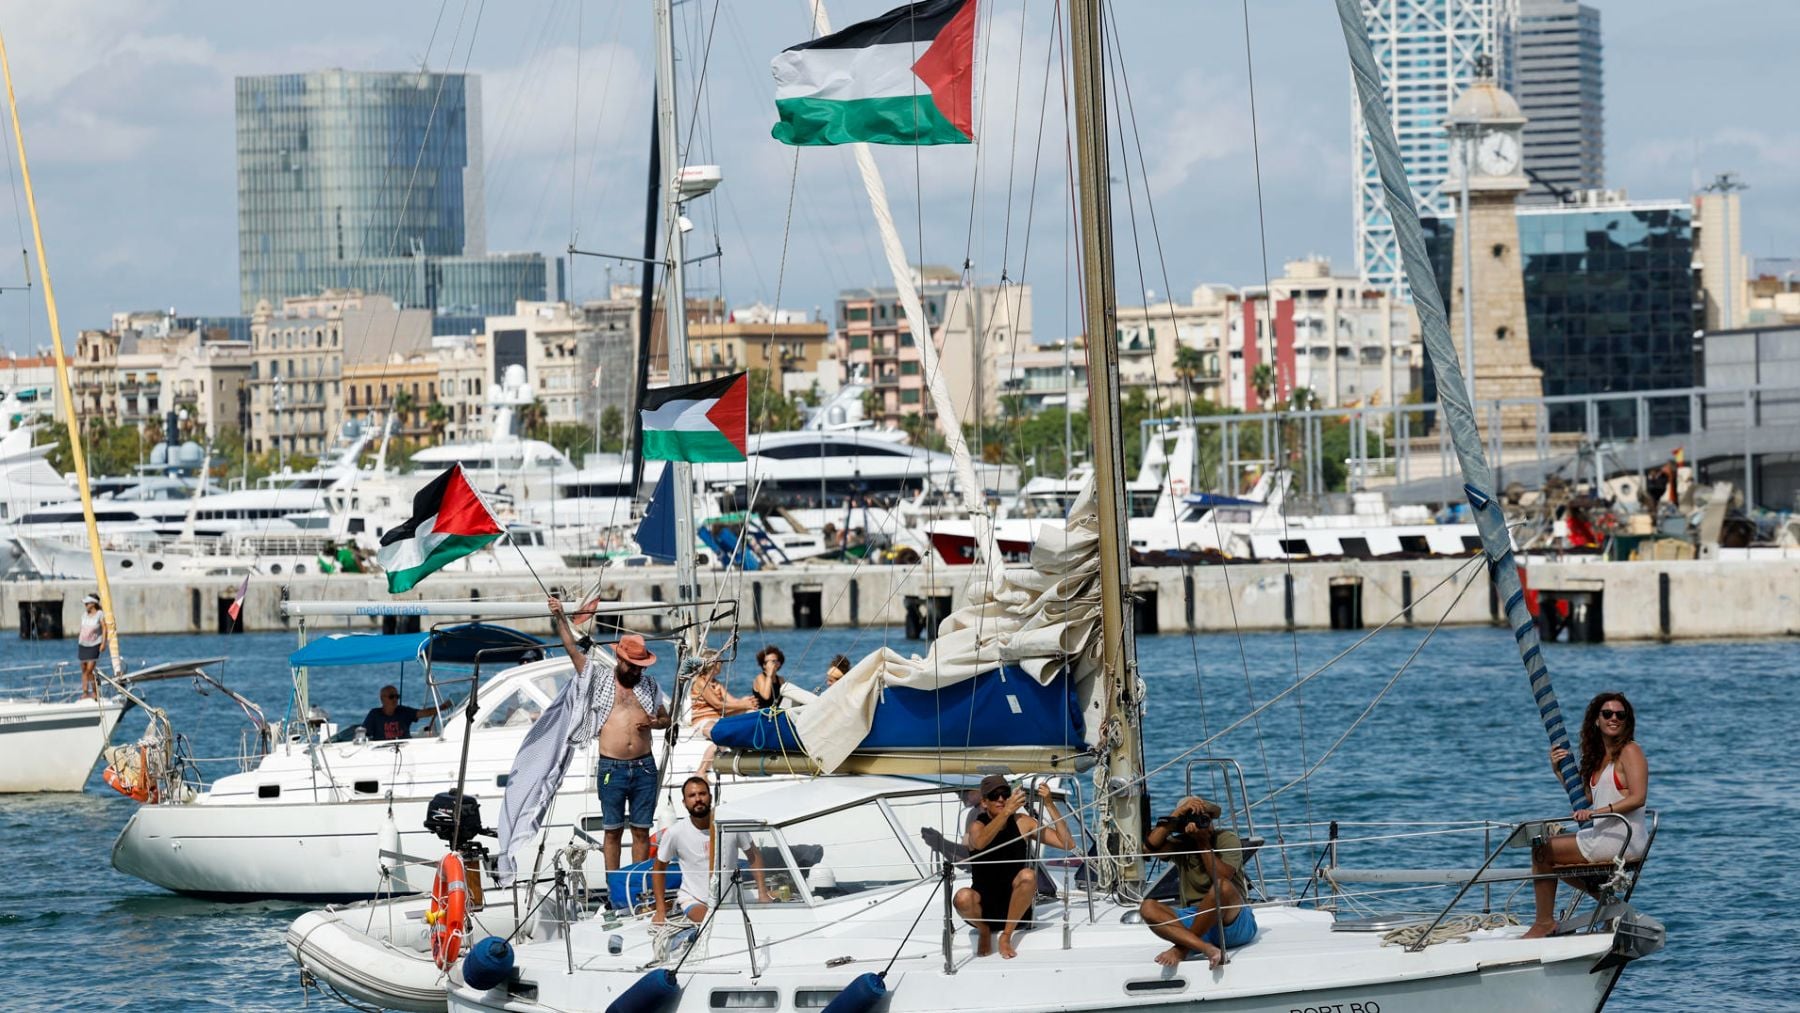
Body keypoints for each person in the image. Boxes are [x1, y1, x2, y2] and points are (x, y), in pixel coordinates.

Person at [549, 595, 670, 872]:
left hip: (644, 766)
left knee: (641, 830)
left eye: (640, 667)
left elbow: (666, 718)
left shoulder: (650, 685)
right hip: (611, 767)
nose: (637, 671)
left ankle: (637, 888)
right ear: (619, 659)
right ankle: (615, 887)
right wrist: (559, 616)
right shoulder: (600, 678)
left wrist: (656, 722)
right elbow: (571, 649)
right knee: (612, 831)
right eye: (632, 665)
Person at [1522, 692, 1650, 939]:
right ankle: (1612, 908)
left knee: (1542, 851)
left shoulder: (1631, 751)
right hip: (1605, 832)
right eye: (1607, 714)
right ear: (1596, 720)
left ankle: (1544, 923)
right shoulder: (1600, 757)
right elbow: (1586, 799)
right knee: (1554, 858)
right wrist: (1558, 771)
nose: (1614, 718)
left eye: (1620, 715)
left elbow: (1638, 798)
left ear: (1627, 721)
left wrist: (1595, 814)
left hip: (1622, 837)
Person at [953, 774, 1073, 959]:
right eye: (994, 795)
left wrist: (1049, 804)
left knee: (1028, 875)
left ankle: (1006, 936)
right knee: (961, 897)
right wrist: (1006, 812)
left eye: (1004, 794)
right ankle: (984, 930)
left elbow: (1067, 844)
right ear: (984, 803)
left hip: (1016, 908)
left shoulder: (1022, 822)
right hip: (984, 909)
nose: (1000, 799)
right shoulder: (977, 826)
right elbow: (980, 843)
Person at [1139, 795, 1256, 970]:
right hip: (1195, 917)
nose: (1203, 823)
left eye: (1205, 818)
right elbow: (1148, 848)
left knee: (1221, 887)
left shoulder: (1226, 839)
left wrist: (1202, 842)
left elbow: (1222, 878)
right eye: (1194, 819)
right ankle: (1204, 948)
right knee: (1147, 907)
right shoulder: (1181, 843)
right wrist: (1176, 815)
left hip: (1232, 919)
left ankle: (1182, 949)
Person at [653, 777, 766, 924]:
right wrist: (660, 910)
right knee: (713, 922)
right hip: (694, 900)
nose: (698, 799)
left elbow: (753, 856)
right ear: (684, 802)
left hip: (730, 899)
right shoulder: (675, 833)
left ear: (710, 797)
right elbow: (658, 869)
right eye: (692, 796)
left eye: (702, 794)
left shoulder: (730, 824)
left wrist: (763, 892)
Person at [358, 685, 443, 741]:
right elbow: (363, 734)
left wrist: (443, 707)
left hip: (405, 749)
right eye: (391, 697)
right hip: (382, 752)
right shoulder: (374, 714)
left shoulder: (404, 711)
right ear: (382, 699)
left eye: (397, 697)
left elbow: (424, 713)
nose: (395, 699)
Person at [76, 593, 105, 698]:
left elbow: (104, 628)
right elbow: (82, 628)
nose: (86, 605)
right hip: (83, 644)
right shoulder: (84, 615)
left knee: (89, 670)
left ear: (93, 603)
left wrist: (103, 643)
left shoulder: (100, 614)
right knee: (83, 669)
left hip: (94, 645)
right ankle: (85, 692)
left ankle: (95, 692)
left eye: (87, 603)